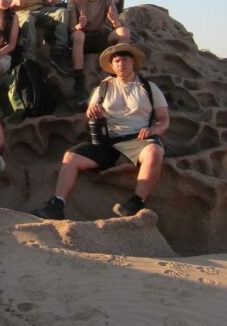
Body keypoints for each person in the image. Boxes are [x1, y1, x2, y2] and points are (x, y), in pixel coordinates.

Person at [32, 43, 169, 220]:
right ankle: (56, 205)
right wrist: (91, 113)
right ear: (112, 65)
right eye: (117, 61)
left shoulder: (149, 88)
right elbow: (90, 113)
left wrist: (153, 130)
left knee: (155, 151)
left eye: (125, 59)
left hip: (138, 139)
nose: (121, 64)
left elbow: (164, 120)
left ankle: (136, 202)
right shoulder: (102, 88)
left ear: (133, 62)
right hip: (107, 140)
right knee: (70, 158)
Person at [69, 0, 131, 101]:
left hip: (100, 37)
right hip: (83, 40)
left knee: (124, 32)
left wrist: (115, 21)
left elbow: (117, 25)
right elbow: (71, 29)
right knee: (79, 35)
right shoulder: (75, 0)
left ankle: (120, 75)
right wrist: (80, 25)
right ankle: (79, 82)